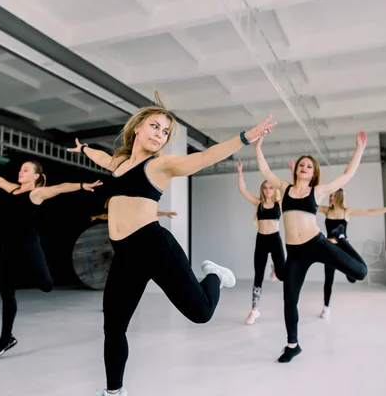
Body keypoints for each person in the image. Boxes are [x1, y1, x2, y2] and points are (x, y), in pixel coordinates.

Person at [67, 93, 277, 396]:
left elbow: (205, 157)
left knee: (201, 314)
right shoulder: (119, 162)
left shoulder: (160, 166)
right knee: (113, 327)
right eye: (155, 126)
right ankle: (114, 391)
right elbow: (100, 157)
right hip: (124, 254)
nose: (159, 135)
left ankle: (215, 275)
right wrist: (84, 148)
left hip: (154, 246)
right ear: (137, 127)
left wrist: (245, 137)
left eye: (165, 132)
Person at [255, 131, 369, 363]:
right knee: (289, 298)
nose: (305, 167)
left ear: (314, 172)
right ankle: (292, 345)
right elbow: (265, 171)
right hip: (295, 252)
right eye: (301, 164)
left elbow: (347, 175)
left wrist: (359, 150)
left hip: (316, 243)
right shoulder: (285, 188)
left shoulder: (317, 191)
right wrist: (258, 146)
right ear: (296, 169)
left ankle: (342, 239)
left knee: (360, 272)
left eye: (309, 165)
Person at [0, 161, 102, 360]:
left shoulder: (37, 193)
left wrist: (81, 186)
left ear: (36, 176)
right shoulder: (13, 190)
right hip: (8, 246)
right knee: (6, 293)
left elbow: (60, 188)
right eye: (21, 169)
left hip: (28, 244)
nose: (21, 172)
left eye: (25, 170)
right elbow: (0, 181)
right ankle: (6, 338)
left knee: (46, 285)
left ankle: (34, 271)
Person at [316, 188, 386, 318]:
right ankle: (326, 307)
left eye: (333, 196)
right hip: (330, 248)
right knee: (329, 279)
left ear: (339, 197)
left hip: (344, 247)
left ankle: (342, 242)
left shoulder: (347, 212)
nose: (330, 198)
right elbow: (309, 206)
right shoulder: (326, 210)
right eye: (330, 196)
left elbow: (368, 212)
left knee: (353, 278)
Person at [235, 159, 285, 325]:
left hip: (275, 239)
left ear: (274, 189)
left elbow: (289, 190)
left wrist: (292, 170)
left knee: (283, 274)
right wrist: (240, 171)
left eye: (271, 187)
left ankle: (276, 269)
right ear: (262, 190)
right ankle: (254, 310)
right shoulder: (258, 204)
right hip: (262, 240)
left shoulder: (279, 203)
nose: (268, 190)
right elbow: (242, 190)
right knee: (258, 275)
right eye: (265, 187)